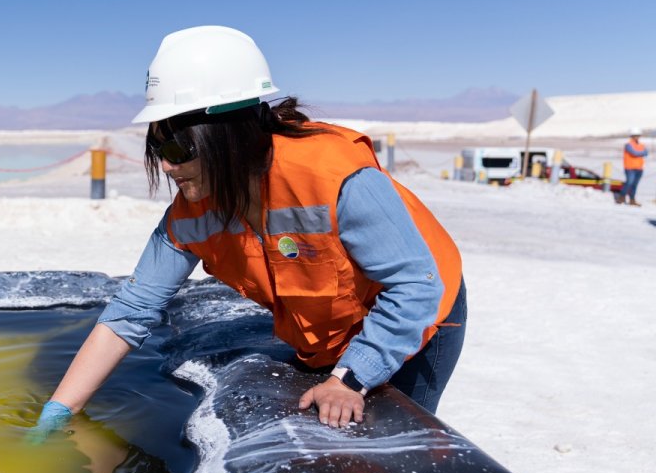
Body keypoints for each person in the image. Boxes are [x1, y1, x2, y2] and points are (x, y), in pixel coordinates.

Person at [28, 25, 466, 441]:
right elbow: (132, 310)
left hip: (418, 315)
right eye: (157, 147)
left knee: (384, 445)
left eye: (177, 148)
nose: (165, 165)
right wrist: (60, 410)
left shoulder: (332, 176)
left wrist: (349, 379)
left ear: (227, 133)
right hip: (331, 330)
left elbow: (415, 286)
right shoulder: (191, 213)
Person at [622, 127, 647, 206]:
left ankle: (632, 200)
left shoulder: (642, 145)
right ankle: (621, 197)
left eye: (638, 135)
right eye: (635, 135)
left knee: (635, 185)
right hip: (630, 168)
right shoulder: (628, 145)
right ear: (632, 136)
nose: (637, 137)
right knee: (629, 183)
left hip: (639, 168)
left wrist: (639, 153)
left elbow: (646, 153)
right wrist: (641, 153)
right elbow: (634, 153)